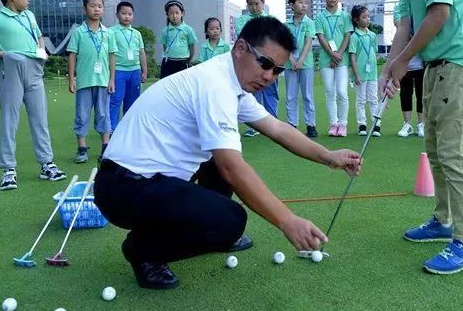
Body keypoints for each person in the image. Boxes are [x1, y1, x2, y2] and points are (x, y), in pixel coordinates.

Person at [94, 17, 362, 289]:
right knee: (231, 220)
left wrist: (329, 156)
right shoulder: (215, 85)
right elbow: (232, 169)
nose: (269, 76)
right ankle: (142, 252)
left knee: (221, 152)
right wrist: (288, 221)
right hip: (123, 188)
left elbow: (277, 128)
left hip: (148, 181)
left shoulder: (230, 81)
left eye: (278, 70)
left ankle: (202, 229)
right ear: (240, 49)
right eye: (265, 63)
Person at [361, 0, 463, 275]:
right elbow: (406, 23)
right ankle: (443, 221)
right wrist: (391, 63)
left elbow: (439, 15)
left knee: (455, 156)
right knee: (434, 150)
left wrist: (404, 61)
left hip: (461, 64)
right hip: (436, 67)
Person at [0, 0, 66, 190]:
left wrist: (41, 51)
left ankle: (47, 165)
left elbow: (39, 37)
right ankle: (8, 170)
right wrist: (4, 55)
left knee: (40, 118)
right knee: (9, 120)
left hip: (34, 69)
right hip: (12, 69)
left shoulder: (30, 15)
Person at [67, 0, 117, 163]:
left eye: (100, 6)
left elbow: (112, 57)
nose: (96, 9)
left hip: (103, 82)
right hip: (84, 82)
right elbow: (72, 56)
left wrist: (111, 80)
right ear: (84, 9)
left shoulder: (108, 33)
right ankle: (82, 149)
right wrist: (71, 79)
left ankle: (106, 147)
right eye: (92, 6)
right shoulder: (78, 32)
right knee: (82, 115)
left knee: (104, 114)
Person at [236, 0, 279, 136]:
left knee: (271, 92)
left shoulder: (271, 20)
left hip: (270, 62)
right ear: (247, 5)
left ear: (263, 3)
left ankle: (273, 123)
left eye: (256, 3)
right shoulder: (241, 21)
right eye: (250, 4)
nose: (254, 7)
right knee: (253, 92)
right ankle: (253, 127)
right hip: (252, 63)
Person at [315, 0, 353, 137]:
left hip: (342, 61)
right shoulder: (319, 17)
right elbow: (321, 37)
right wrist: (332, 54)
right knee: (330, 92)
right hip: (326, 61)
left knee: (342, 92)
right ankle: (333, 123)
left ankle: (343, 125)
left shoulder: (345, 16)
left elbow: (347, 36)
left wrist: (338, 55)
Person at [109, 1, 147, 131]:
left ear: (133, 16)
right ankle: (112, 129)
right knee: (115, 101)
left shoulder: (136, 33)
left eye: (130, 14)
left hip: (135, 71)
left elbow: (141, 53)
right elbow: (109, 54)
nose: (127, 16)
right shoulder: (111, 32)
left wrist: (144, 71)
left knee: (132, 102)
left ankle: (128, 128)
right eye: (123, 13)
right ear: (117, 15)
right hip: (118, 71)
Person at [284, 0, 318, 137]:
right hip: (289, 64)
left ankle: (311, 125)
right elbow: (284, 45)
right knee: (291, 96)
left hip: (306, 64)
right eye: (300, 2)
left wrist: (300, 61)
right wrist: (292, 60)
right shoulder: (286, 24)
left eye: (305, 2)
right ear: (292, 5)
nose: (304, 5)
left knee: (307, 95)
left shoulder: (310, 23)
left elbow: (308, 43)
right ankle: (292, 124)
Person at [349, 5, 380, 137]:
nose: (368, 19)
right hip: (359, 75)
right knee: (361, 100)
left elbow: (375, 52)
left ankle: (376, 125)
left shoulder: (372, 35)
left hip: (372, 74)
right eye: (364, 17)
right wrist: (356, 74)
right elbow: (352, 56)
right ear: (356, 19)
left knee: (373, 99)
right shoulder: (354, 36)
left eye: (368, 16)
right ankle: (362, 125)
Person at [395, 10, 425, 138]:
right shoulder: (399, 8)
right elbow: (401, 27)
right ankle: (407, 124)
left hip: (421, 62)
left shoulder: (421, 7)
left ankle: (421, 124)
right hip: (405, 64)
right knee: (405, 94)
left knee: (421, 94)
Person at [160, 0, 197, 78]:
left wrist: (187, 61)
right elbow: (165, 47)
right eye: (171, 13)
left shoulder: (188, 29)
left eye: (177, 13)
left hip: (183, 63)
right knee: (167, 85)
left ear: (182, 13)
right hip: (168, 63)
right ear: (167, 15)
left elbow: (192, 48)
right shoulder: (165, 31)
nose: (174, 16)